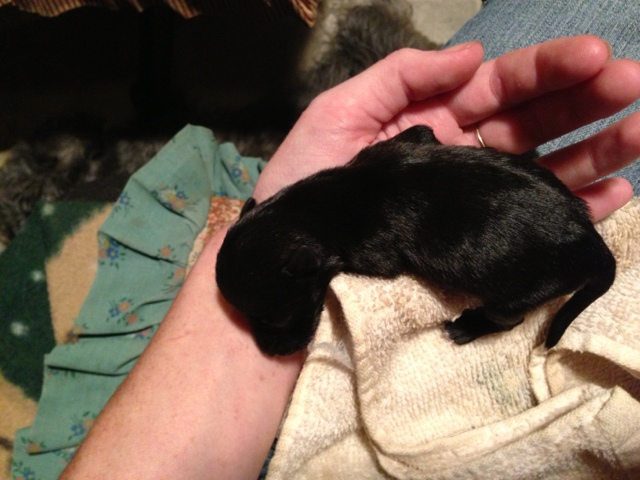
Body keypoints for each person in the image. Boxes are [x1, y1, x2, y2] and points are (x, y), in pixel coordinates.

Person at [60, 22, 640, 480]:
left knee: (505, 296)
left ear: (307, 262)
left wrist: (490, 315)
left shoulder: (369, 243)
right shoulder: (370, 162)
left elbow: (389, 254)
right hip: (545, 209)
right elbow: (421, 138)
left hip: (541, 258)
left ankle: (502, 317)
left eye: (275, 314)